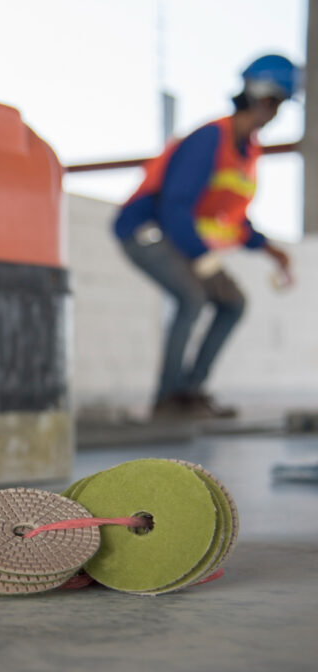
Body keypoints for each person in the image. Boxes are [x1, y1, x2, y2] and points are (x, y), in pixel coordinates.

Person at [114, 54, 298, 420]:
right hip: (146, 231)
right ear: (262, 99)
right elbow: (175, 207)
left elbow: (230, 218)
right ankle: (168, 400)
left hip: (179, 236)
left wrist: (270, 250)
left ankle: (190, 391)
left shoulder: (246, 151)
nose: (273, 113)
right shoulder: (211, 137)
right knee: (192, 297)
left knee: (233, 303)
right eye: (274, 103)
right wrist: (205, 260)